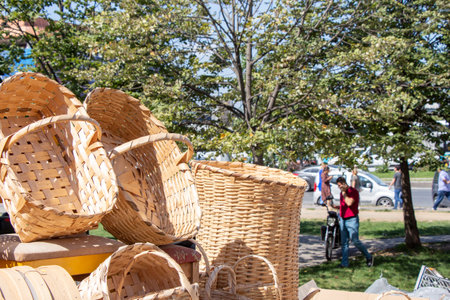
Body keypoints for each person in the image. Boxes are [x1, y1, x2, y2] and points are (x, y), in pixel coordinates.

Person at [327, 176, 373, 268]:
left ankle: (368, 257)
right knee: (344, 243)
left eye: (340, 185)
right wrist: (336, 207)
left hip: (352, 219)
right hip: (343, 219)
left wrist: (344, 192)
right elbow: (344, 205)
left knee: (355, 240)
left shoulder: (353, 192)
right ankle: (344, 263)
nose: (339, 187)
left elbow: (349, 203)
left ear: (345, 183)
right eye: (338, 186)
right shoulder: (342, 193)